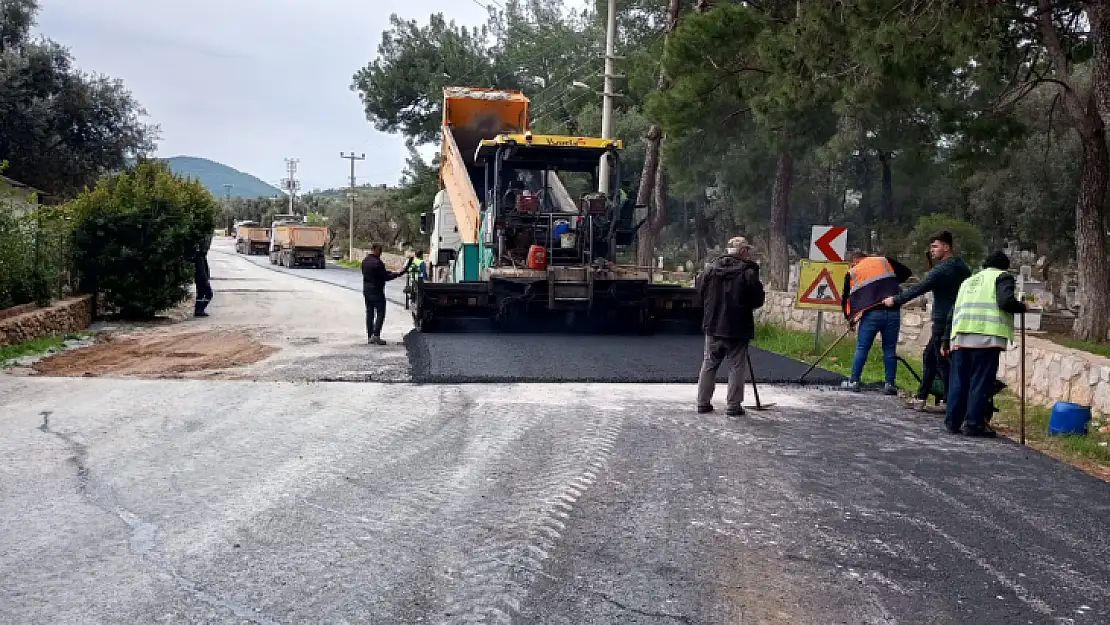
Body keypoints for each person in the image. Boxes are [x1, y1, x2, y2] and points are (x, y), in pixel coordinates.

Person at [882, 230, 972, 410]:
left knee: (942, 361)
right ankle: (921, 397)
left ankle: (949, 401)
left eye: (935, 246)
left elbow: (918, 288)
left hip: (942, 320)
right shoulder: (962, 267)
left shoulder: (940, 270)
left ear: (946, 247)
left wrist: (895, 300)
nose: (931, 250)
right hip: (958, 317)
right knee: (930, 357)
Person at [941, 251, 1027, 437]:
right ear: (1004, 266)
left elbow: (952, 311)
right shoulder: (1002, 277)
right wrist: (1022, 307)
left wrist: (945, 339)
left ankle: (952, 423)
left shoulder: (968, 281)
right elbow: (1005, 301)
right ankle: (973, 424)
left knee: (959, 381)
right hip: (986, 337)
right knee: (980, 381)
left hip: (960, 337)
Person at [696, 236, 765, 417]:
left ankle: (703, 403)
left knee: (709, 363)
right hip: (738, 327)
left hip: (713, 325)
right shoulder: (748, 273)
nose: (749, 253)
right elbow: (758, 299)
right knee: (736, 366)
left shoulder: (710, 270)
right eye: (747, 250)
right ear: (743, 251)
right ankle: (733, 406)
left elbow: (700, 292)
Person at [840, 250, 913, 394]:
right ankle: (889, 384)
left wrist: (850, 319)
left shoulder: (854, 272)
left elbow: (846, 299)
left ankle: (854, 381)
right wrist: (889, 285)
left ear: (854, 261)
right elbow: (906, 272)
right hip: (893, 312)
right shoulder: (884, 261)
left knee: (862, 347)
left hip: (872, 314)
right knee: (889, 349)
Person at [361, 244, 412, 345]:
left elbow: (380, 273)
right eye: (380, 251)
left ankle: (370, 336)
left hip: (366, 290)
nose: (380, 253)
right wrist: (398, 274)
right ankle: (376, 335)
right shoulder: (378, 263)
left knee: (369, 313)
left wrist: (391, 272)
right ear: (375, 250)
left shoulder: (365, 261)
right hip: (377, 291)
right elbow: (385, 276)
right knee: (381, 311)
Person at [193, 238, 213, 318]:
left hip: (200, 279)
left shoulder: (200, 256)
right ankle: (200, 309)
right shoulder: (200, 257)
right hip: (202, 279)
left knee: (200, 295)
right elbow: (201, 270)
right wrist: (205, 280)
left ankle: (199, 309)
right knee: (208, 294)